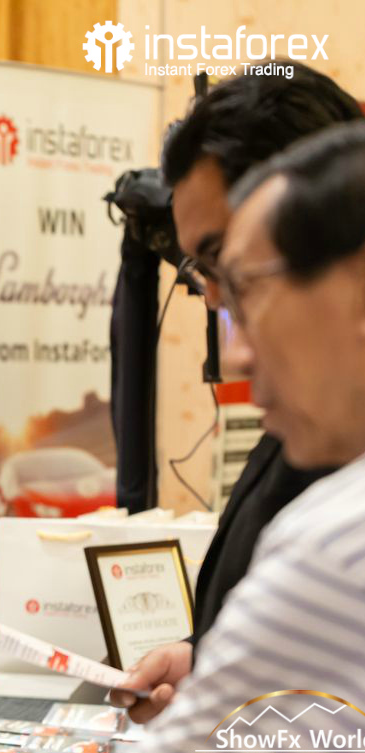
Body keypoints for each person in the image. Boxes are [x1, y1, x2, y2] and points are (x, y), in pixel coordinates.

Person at [110, 62, 361, 723]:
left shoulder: (334, 532)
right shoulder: (308, 428)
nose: (218, 304)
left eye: (237, 266)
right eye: (202, 270)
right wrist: (211, 659)